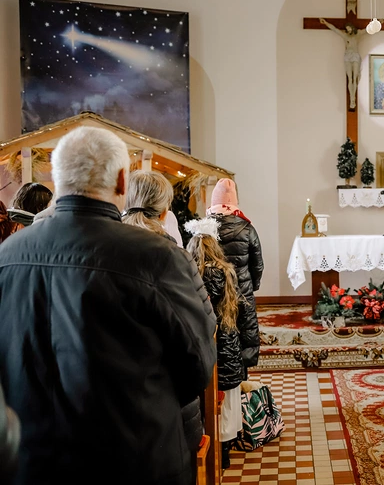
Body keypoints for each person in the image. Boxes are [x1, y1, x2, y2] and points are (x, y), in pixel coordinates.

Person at [0, 127, 216, 485]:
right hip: (136, 459)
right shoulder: (156, 256)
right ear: (121, 180)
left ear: (58, 179)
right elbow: (197, 363)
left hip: (33, 463)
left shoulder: (6, 257)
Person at [121, 169, 204, 467]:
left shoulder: (102, 244)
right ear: (165, 209)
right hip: (164, 397)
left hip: (111, 396)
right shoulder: (170, 251)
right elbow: (198, 330)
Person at [185, 218, 246, 470]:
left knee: (208, 396)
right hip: (228, 339)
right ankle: (226, 447)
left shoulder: (192, 274)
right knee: (228, 397)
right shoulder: (225, 270)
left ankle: (209, 442)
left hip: (206, 340)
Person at [207, 178, 262, 369]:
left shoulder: (205, 229)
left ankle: (219, 382)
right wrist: (252, 286)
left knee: (221, 336)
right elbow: (257, 264)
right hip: (241, 290)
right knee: (244, 332)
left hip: (214, 293)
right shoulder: (247, 228)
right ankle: (242, 377)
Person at [319, 18, 367, 110]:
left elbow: (368, 30)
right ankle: (352, 99)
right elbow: (335, 29)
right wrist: (325, 23)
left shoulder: (358, 34)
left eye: (349, 28)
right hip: (347, 56)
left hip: (355, 56)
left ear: (352, 28)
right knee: (350, 78)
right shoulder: (345, 36)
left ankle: (353, 98)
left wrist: (378, 23)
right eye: (347, 28)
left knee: (355, 78)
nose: (348, 30)